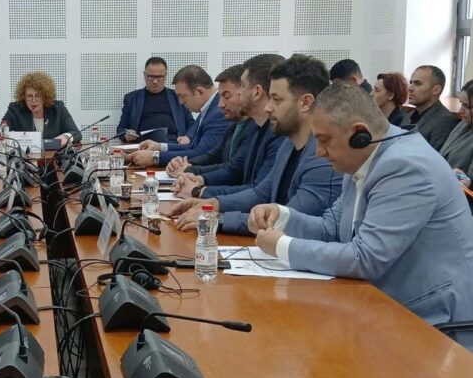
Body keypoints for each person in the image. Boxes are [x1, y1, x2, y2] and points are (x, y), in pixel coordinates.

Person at [249, 83, 473, 351]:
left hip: (434, 325)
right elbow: (332, 228)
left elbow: (365, 258)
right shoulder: (364, 158)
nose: (319, 152)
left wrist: (282, 245)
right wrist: (281, 216)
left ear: (359, 134)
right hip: (385, 308)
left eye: (324, 140)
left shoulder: (406, 167)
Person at [170, 54, 343, 234]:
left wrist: (218, 219)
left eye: (277, 99)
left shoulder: (322, 158)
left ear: (306, 102)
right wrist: (212, 204)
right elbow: (261, 193)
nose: (268, 107)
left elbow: (290, 221)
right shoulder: (289, 145)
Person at [172, 54, 286, 199]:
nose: (220, 104)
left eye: (242, 86)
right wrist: (199, 178)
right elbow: (234, 168)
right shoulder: (256, 127)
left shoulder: (279, 134)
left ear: (257, 92)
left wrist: (199, 190)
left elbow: (259, 193)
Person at [128, 65, 229, 167]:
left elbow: (201, 154)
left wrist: (155, 157)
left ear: (199, 91)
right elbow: (193, 147)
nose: (180, 102)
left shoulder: (218, 113)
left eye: (183, 96)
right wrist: (160, 147)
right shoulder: (208, 109)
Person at [166, 63, 255, 178]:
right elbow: (213, 156)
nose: (220, 104)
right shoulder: (233, 125)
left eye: (227, 96)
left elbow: (233, 169)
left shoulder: (255, 128)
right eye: (220, 96)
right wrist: (185, 164)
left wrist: (191, 172)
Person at [116, 57, 195, 143]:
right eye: (151, 77)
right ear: (145, 75)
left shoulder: (178, 97)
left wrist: (188, 137)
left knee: (160, 137)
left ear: (165, 76)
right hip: (143, 145)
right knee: (157, 135)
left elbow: (192, 124)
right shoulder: (132, 99)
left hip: (173, 143)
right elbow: (121, 129)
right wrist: (126, 135)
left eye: (159, 77)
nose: (155, 81)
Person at [1, 71, 81, 146]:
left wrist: (65, 137)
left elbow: (76, 133)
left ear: (45, 97)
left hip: (54, 155)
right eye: (29, 96)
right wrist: (6, 136)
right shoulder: (15, 110)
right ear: (24, 96)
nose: (34, 100)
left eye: (38, 96)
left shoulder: (58, 109)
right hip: (25, 156)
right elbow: (1, 133)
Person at [402, 65, 458, 151]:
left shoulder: (444, 121)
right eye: (411, 82)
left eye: (418, 84)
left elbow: (432, 157)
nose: (410, 88)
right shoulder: (408, 115)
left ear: (436, 90)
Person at [439, 79, 473, 189]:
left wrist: (468, 182)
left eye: (468, 106)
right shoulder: (462, 124)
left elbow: (469, 181)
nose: (460, 111)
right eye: (461, 104)